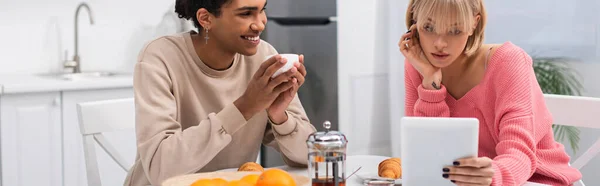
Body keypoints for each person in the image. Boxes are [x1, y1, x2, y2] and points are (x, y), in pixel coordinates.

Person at [123, 0, 317, 185]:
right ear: (205, 18)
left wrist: (280, 117)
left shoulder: (264, 57)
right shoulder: (160, 57)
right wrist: (245, 107)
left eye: (262, 10)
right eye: (246, 13)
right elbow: (160, 169)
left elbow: (311, 157)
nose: (260, 24)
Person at [400, 0, 582, 185]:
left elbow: (520, 154)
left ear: (474, 24)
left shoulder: (508, 61)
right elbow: (431, 153)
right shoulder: (419, 65)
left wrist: (493, 175)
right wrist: (431, 84)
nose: (440, 43)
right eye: (429, 27)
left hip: (537, 180)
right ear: (415, 23)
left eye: (455, 30)